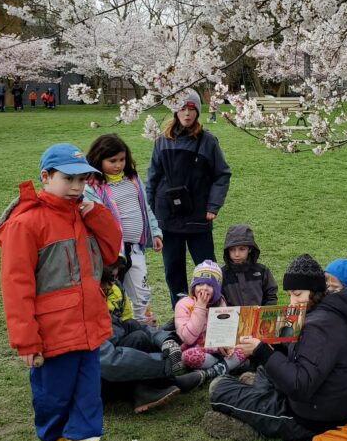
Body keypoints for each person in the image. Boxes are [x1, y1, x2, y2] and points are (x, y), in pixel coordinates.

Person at [0, 143, 123, 441]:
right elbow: (16, 287)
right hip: (53, 334)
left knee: (89, 399)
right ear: (46, 177)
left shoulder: (81, 213)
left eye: (83, 180)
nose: (78, 187)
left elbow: (112, 248)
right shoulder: (26, 223)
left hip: (88, 327)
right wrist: (26, 341)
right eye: (69, 179)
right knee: (53, 397)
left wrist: (94, 213)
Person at [206, 254, 347, 441]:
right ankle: (259, 402)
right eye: (290, 295)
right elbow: (303, 357)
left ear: (315, 291)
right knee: (264, 370)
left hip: (313, 421)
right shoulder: (326, 312)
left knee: (219, 388)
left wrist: (262, 350)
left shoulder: (318, 326)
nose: (293, 302)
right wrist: (271, 344)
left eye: (298, 294)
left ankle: (253, 420)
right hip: (327, 404)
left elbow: (300, 385)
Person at [147, 88, 231, 302]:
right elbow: (153, 178)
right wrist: (150, 213)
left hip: (198, 216)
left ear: (198, 112)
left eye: (191, 109)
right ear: (175, 111)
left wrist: (213, 206)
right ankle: (181, 314)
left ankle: (213, 311)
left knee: (208, 269)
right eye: (182, 108)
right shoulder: (162, 141)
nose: (187, 114)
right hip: (168, 217)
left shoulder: (208, 141)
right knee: (173, 271)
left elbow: (222, 174)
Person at [98, 262, 202, 413]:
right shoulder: (82, 310)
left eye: (114, 278)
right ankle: (145, 389)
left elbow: (128, 325)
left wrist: (165, 341)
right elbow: (110, 362)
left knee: (137, 334)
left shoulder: (98, 300)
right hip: (96, 382)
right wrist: (165, 364)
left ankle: (155, 386)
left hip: (105, 370)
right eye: (109, 279)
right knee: (134, 342)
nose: (111, 286)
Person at [84, 134, 163, 324]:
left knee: (142, 292)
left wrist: (155, 232)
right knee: (114, 293)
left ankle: (147, 331)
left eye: (122, 159)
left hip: (135, 248)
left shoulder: (133, 180)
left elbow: (146, 208)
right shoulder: (93, 187)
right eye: (112, 161)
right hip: (111, 254)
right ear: (98, 159)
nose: (118, 164)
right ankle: (117, 333)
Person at [175, 261, 247, 382]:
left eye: (209, 285)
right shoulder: (184, 304)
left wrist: (226, 346)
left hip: (219, 349)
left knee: (246, 346)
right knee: (187, 357)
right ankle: (228, 366)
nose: (204, 288)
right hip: (199, 349)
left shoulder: (220, 302)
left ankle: (211, 372)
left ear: (217, 289)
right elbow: (188, 338)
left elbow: (224, 331)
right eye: (200, 284)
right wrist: (200, 307)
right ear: (193, 287)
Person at [220, 224, 278, 307]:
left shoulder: (262, 271)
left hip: (258, 318)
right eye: (232, 250)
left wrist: (264, 314)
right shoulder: (222, 274)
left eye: (242, 249)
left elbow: (271, 296)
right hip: (232, 319)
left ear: (250, 249)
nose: (237, 254)